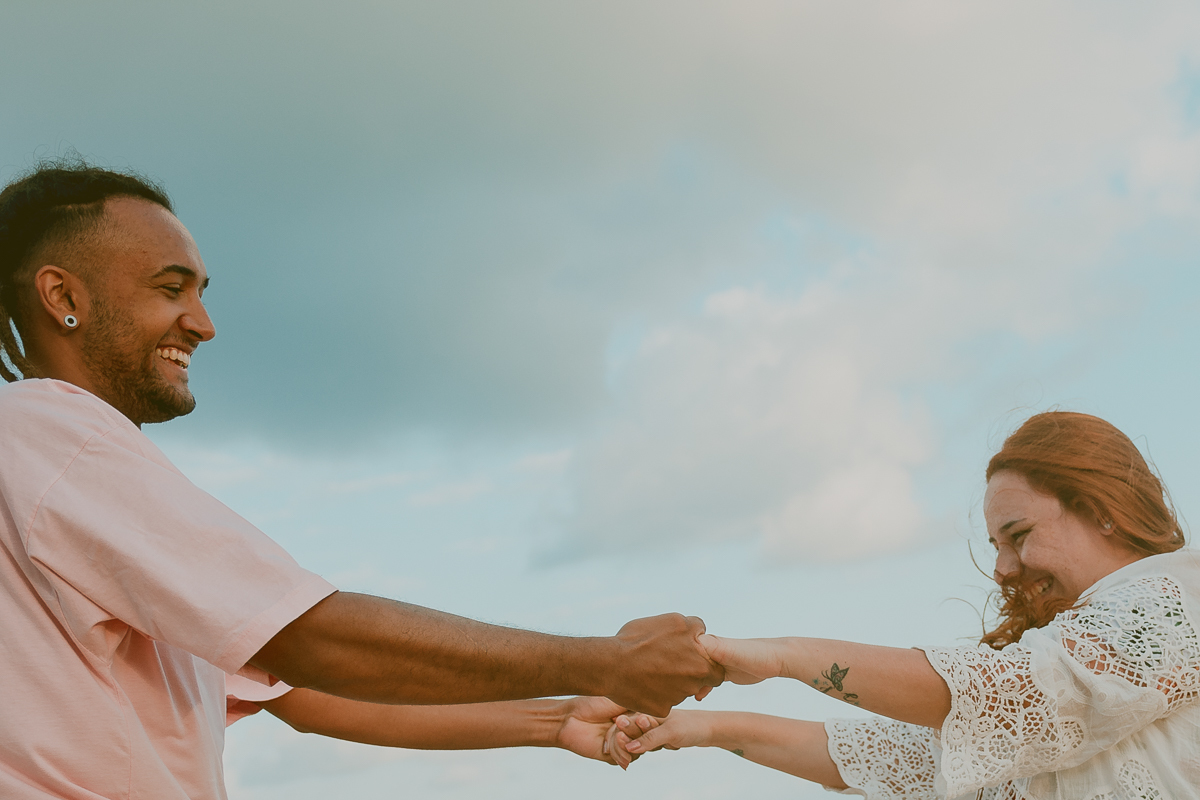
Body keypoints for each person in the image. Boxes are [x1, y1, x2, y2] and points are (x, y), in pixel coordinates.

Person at [0, 161, 722, 800]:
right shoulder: (48, 431)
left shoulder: (45, 466)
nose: (204, 323)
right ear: (63, 294)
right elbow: (311, 641)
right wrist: (608, 661)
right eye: (171, 287)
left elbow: (301, 694)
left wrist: (558, 714)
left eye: (201, 290)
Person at [609, 411, 1199, 799]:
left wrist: (784, 656)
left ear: (1105, 509)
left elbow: (1017, 693)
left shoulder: (1179, 602)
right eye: (997, 546)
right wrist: (694, 726)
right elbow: (904, 754)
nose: (1003, 569)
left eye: (1018, 536)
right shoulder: (1075, 658)